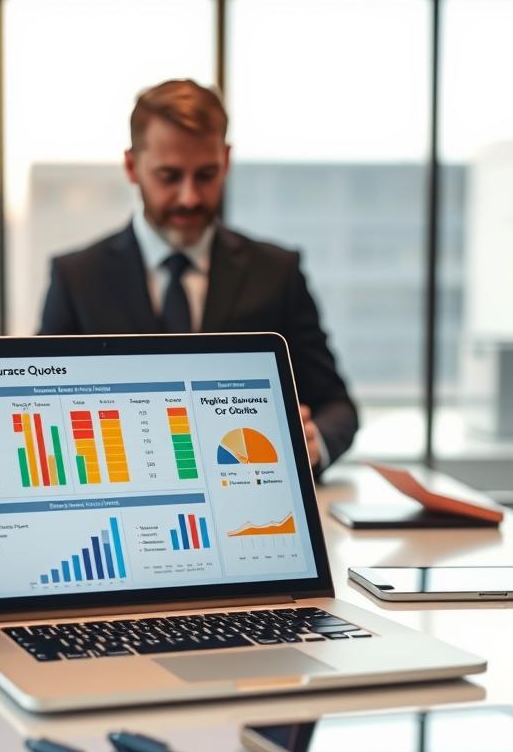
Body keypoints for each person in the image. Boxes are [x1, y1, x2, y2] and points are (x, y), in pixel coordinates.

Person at [39, 78, 358, 470]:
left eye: (205, 175)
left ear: (225, 161)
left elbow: (337, 404)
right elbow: (44, 401)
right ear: (131, 166)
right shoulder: (78, 277)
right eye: (169, 176)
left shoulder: (277, 272)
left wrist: (315, 443)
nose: (189, 197)